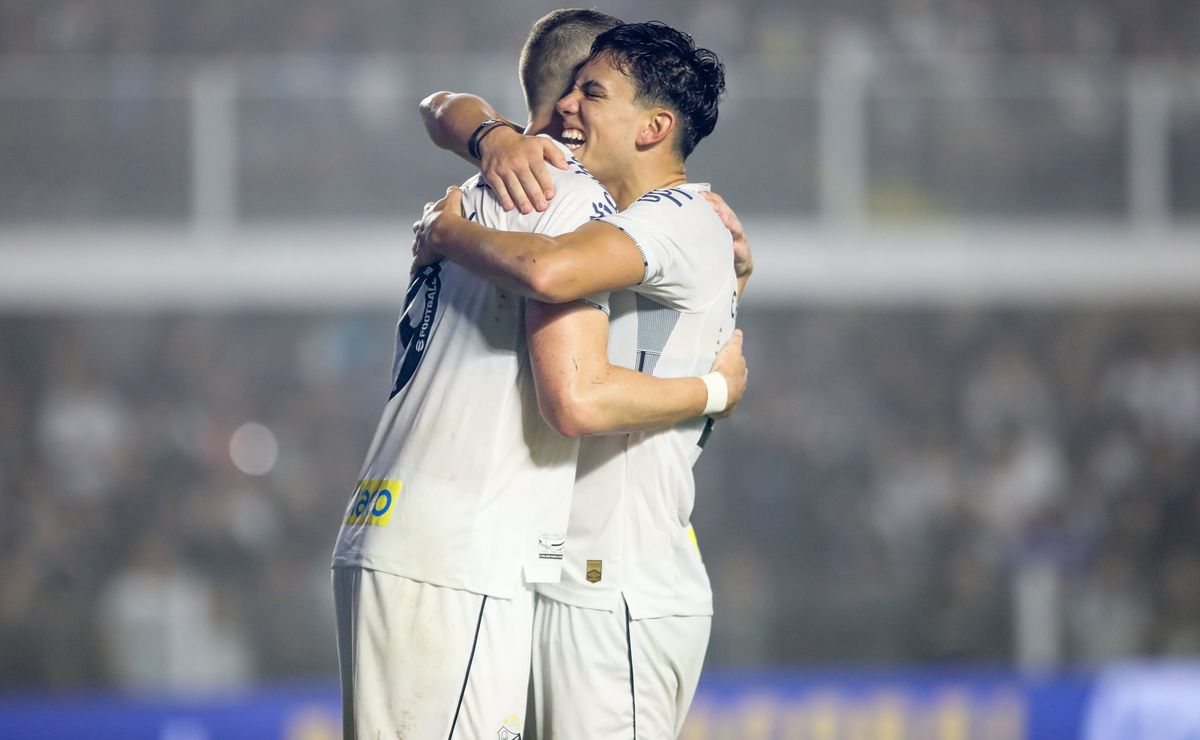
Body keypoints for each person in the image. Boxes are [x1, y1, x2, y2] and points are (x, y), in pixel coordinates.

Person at [330, 11, 747, 740]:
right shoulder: (566, 200)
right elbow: (575, 391)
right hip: (470, 551)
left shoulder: (498, 193)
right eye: (583, 88)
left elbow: (442, 106)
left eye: (598, 93)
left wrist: (450, 211)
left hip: (518, 558)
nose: (575, 108)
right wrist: (715, 388)